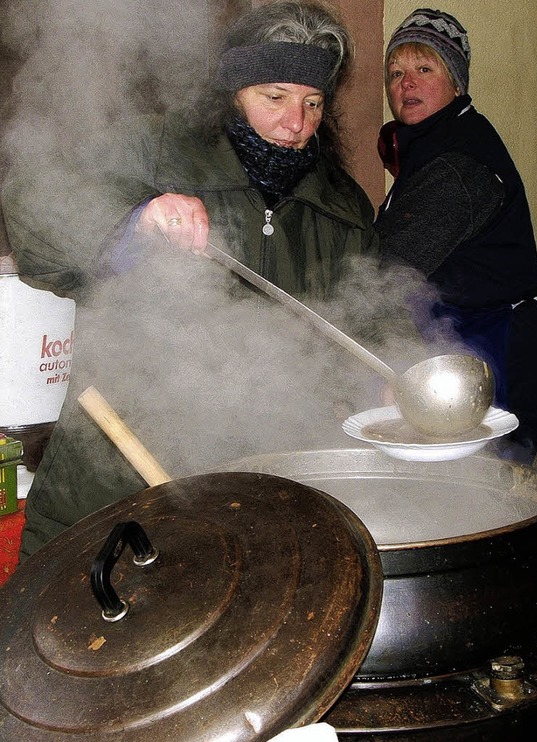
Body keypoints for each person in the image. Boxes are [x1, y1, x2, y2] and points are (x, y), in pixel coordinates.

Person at [2, 0, 380, 560]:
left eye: (312, 102)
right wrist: (134, 222)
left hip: (253, 495)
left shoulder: (340, 206)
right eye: (274, 97)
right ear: (235, 92)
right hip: (114, 484)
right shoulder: (154, 149)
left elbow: (366, 323)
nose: (296, 123)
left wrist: (380, 390)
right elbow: (33, 197)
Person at [374, 8, 537, 464]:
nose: (406, 83)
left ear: (456, 83)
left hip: (489, 353)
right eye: (396, 73)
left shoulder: (459, 164)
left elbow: (389, 268)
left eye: (423, 68)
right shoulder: (436, 142)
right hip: (461, 347)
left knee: (483, 497)